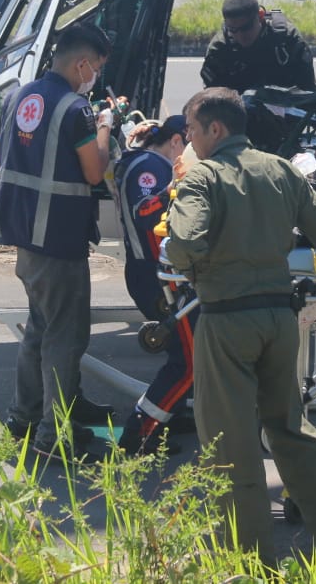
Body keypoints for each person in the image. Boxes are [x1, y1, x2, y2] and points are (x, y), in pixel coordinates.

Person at [165, 87, 316, 566]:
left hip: (227, 321)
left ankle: (251, 565)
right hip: (279, 319)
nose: (189, 141)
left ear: (215, 129)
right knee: (292, 432)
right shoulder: (281, 170)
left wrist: (193, 261)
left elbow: (184, 244)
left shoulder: (203, 178)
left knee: (230, 446)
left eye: (192, 131)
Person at [0, 22, 117, 463]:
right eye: (96, 67)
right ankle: (55, 435)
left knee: (40, 328)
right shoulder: (77, 110)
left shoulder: (17, 96)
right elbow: (94, 171)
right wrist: (105, 126)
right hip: (58, 236)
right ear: (82, 64)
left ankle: (24, 417)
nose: (95, 76)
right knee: (65, 337)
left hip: (23, 233)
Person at [113, 114, 198, 457]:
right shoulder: (150, 166)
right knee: (189, 361)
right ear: (176, 141)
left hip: (154, 273)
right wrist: (176, 186)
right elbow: (147, 214)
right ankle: (139, 432)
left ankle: (168, 412)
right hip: (156, 275)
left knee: (183, 353)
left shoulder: (143, 161)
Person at [200, 0, 316, 94]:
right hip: (238, 110)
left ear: (260, 16)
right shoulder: (220, 48)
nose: (241, 36)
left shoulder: (285, 38)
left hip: (286, 107)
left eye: (246, 28)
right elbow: (212, 100)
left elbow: (308, 90)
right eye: (233, 30)